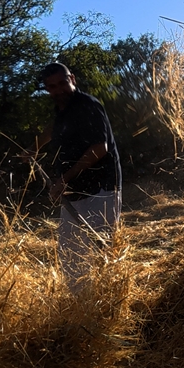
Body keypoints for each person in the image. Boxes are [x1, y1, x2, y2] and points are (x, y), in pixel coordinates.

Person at [31, 62, 122, 291]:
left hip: (101, 188)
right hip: (74, 189)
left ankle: (108, 300)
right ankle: (80, 305)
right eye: (51, 87)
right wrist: (34, 147)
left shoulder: (87, 105)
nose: (58, 90)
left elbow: (100, 147)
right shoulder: (63, 109)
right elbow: (54, 128)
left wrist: (65, 179)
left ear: (73, 79)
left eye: (62, 83)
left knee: (102, 249)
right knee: (70, 251)